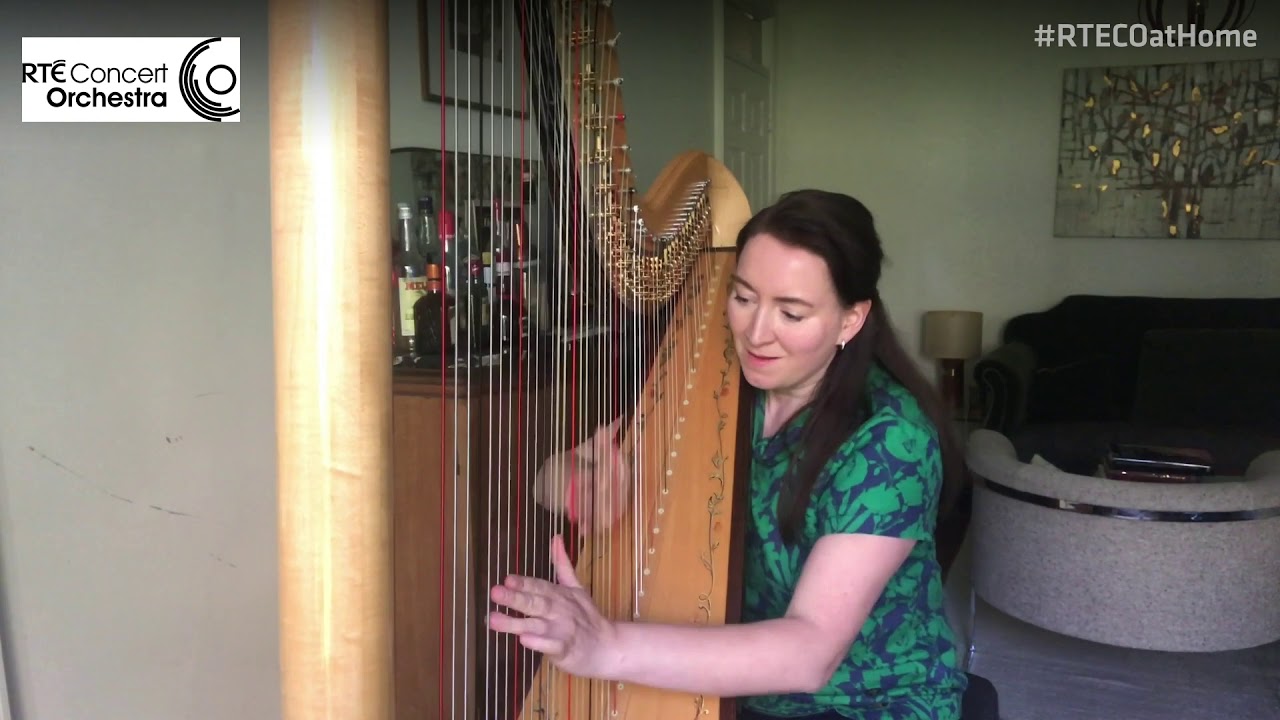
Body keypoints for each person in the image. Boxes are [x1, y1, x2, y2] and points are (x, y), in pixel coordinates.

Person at [490, 189, 970, 719]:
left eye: (791, 312)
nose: (756, 333)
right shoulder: (714, 376)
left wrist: (606, 646)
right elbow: (545, 479)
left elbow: (809, 652)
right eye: (743, 298)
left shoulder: (890, 441)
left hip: (863, 702)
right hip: (741, 688)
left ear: (851, 321)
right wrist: (585, 488)